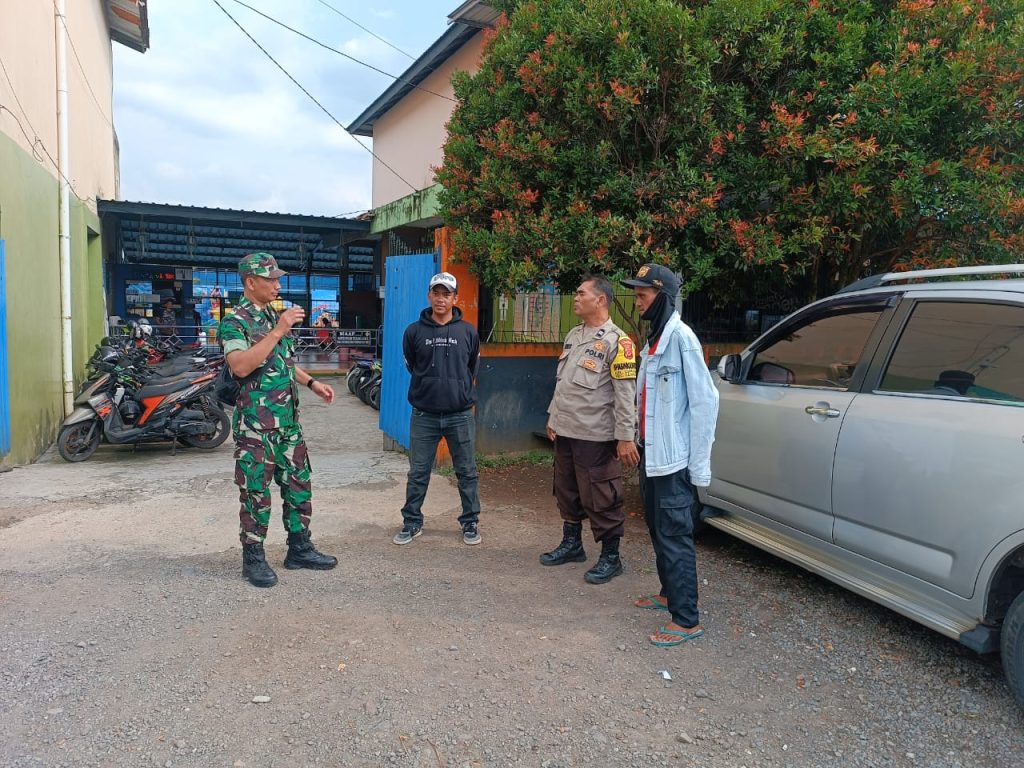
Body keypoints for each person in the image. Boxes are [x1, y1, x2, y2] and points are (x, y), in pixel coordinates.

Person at [219, 252, 337, 588]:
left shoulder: (272, 313)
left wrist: (312, 383)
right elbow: (240, 365)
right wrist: (279, 329)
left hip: (288, 423)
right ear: (250, 282)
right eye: (270, 279)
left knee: (299, 486)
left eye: (277, 278)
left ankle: (299, 548)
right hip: (256, 427)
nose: (277, 284)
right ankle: (253, 559)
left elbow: (281, 362)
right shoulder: (235, 321)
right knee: (256, 493)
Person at [621, 263, 719, 646]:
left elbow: (705, 402)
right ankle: (668, 595)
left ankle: (687, 619)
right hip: (653, 456)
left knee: (675, 534)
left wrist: (699, 468)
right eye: (637, 292)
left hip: (674, 462)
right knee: (658, 529)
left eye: (644, 293)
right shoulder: (655, 342)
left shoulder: (682, 339)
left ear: (662, 296)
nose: (638, 299)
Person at [542, 276, 639, 584]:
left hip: (596, 437)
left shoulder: (618, 341)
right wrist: (553, 418)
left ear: (601, 300)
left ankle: (611, 558)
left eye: (582, 293)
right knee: (567, 491)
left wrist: (626, 437)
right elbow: (564, 383)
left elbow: (626, 394)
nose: (576, 297)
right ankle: (572, 545)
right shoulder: (574, 334)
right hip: (567, 431)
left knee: (601, 496)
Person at [394, 271, 482, 546]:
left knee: (466, 471)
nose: (441, 299)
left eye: (447, 294)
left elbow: (471, 368)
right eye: (436, 293)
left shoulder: (467, 332)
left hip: (459, 415)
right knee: (418, 471)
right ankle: (412, 522)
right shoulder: (413, 331)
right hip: (424, 415)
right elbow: (411, 364)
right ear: (429, 295)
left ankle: (470, 523)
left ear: (456, 298)